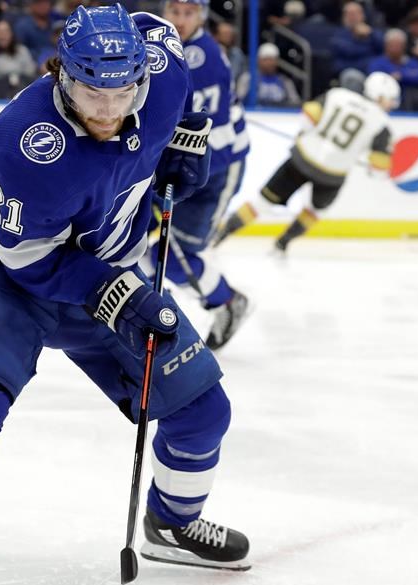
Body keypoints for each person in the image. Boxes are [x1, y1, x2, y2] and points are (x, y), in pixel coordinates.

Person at [0, 5, 250, 585]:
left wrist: (183, 135)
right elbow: (28, 258)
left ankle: (171, 523)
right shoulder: (23, 142)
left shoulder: (164, 72)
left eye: (122, 92)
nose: (107, 110)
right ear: (62, 76)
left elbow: (157, 25)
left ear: (142, 78)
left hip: (115, 266)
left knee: (203, 412)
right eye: (89, 91)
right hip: (12, 279)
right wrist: (117, 293)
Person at [146, 0, 252, 351]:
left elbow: (204, 136)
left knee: (175, 257)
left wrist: (173, 179)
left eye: (189, 13)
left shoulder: (201, 58)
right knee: (147, 253)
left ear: (201, 16)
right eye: (175, 11)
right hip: (182, 165)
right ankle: (148, 314)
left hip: (212, 170)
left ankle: (227, 302)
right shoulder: (166, 44)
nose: (180, 19)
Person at [213, 72, 399, 254]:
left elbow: (308, 117)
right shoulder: (382, 123)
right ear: (379, 96)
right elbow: (378, 170)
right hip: (332, 175)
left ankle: (220, 235)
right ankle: (282, 243)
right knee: (315, 211)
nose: (391, 104)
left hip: (302, 159)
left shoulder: (337, 95)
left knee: (262, 202)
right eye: (390, 99)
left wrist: (305, 135)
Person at [236, 42, 300, 107]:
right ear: (259, 60)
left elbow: (295, 103)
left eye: (272, 60)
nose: (269, 63)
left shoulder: (285, 81)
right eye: (266, 59)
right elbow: (238, 100)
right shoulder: (248, 78)